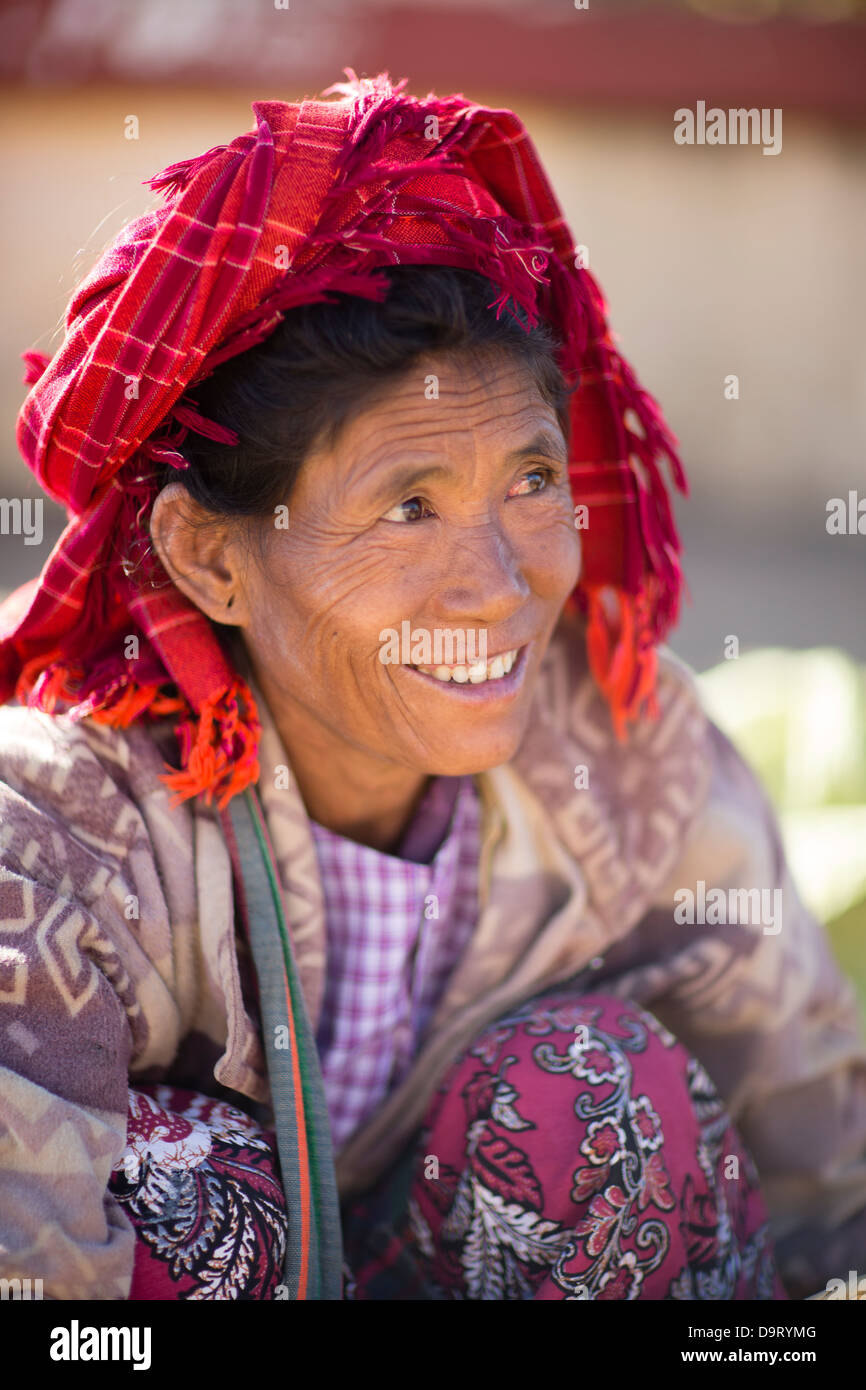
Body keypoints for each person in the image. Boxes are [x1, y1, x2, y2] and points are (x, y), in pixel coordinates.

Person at [0, 71, 863, 1302]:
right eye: (408, 508)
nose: (497, 587)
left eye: (526, 482)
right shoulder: (51, 837)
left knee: (583, 1091)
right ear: (209, 557)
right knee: (187, 1181)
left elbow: (827, 1198)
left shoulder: (627, 760)